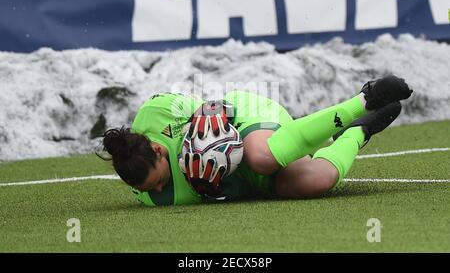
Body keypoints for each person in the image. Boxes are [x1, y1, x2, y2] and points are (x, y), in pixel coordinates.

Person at [97, 75, 413, 207]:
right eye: (143, 189)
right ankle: (359, 130)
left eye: (157, 180)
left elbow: (216, 109)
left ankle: (366, 100)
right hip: (245, 180)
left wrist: (202, 142)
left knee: (261, 157)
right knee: (318, 180)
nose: (156, 191)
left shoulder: (156, 112)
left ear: (156, 149)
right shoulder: (153, 196)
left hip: (243, 121)